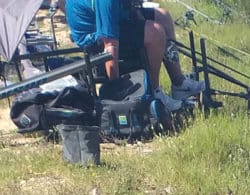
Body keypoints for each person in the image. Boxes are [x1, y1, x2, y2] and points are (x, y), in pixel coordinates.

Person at [63, 0, 203, 112]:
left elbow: (133, 9)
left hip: (115, 19)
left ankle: (179, 84)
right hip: (94, 39)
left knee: (162, 16)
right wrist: (118, 90)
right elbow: (110, 44)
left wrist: (142, 24)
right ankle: (154, 92)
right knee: (155, 32)